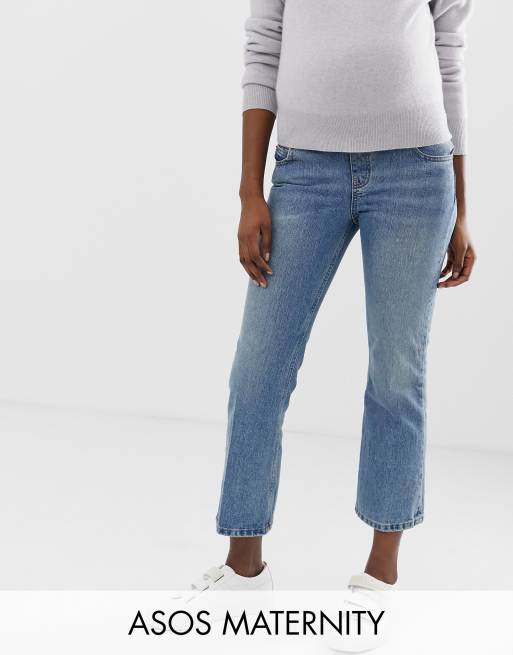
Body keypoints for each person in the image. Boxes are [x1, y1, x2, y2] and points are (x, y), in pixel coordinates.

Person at [191, 0, 475, 602]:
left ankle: (380, 571)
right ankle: (244, 568)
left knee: (396, 373)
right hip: (304, 174)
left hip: (417, 173)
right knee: (258, 371)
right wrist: (249, 192)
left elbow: (448, 56)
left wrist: (463, 209)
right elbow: (263, 48)